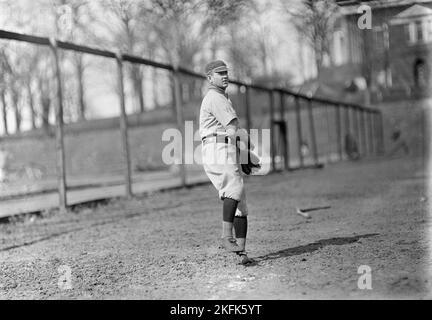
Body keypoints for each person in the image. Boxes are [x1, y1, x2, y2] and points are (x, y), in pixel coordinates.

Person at [199, 60, 254, 264]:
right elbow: (231, 129)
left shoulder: (221, 97)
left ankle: (241, 252)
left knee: (240, 203)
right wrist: (244, 152)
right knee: (234, 189)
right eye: (219, 73)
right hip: (218, 147)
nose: (224, 75)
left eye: (225, 72)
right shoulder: (215, 97)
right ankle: (226, 237)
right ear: (209, 77)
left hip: (220, 147)